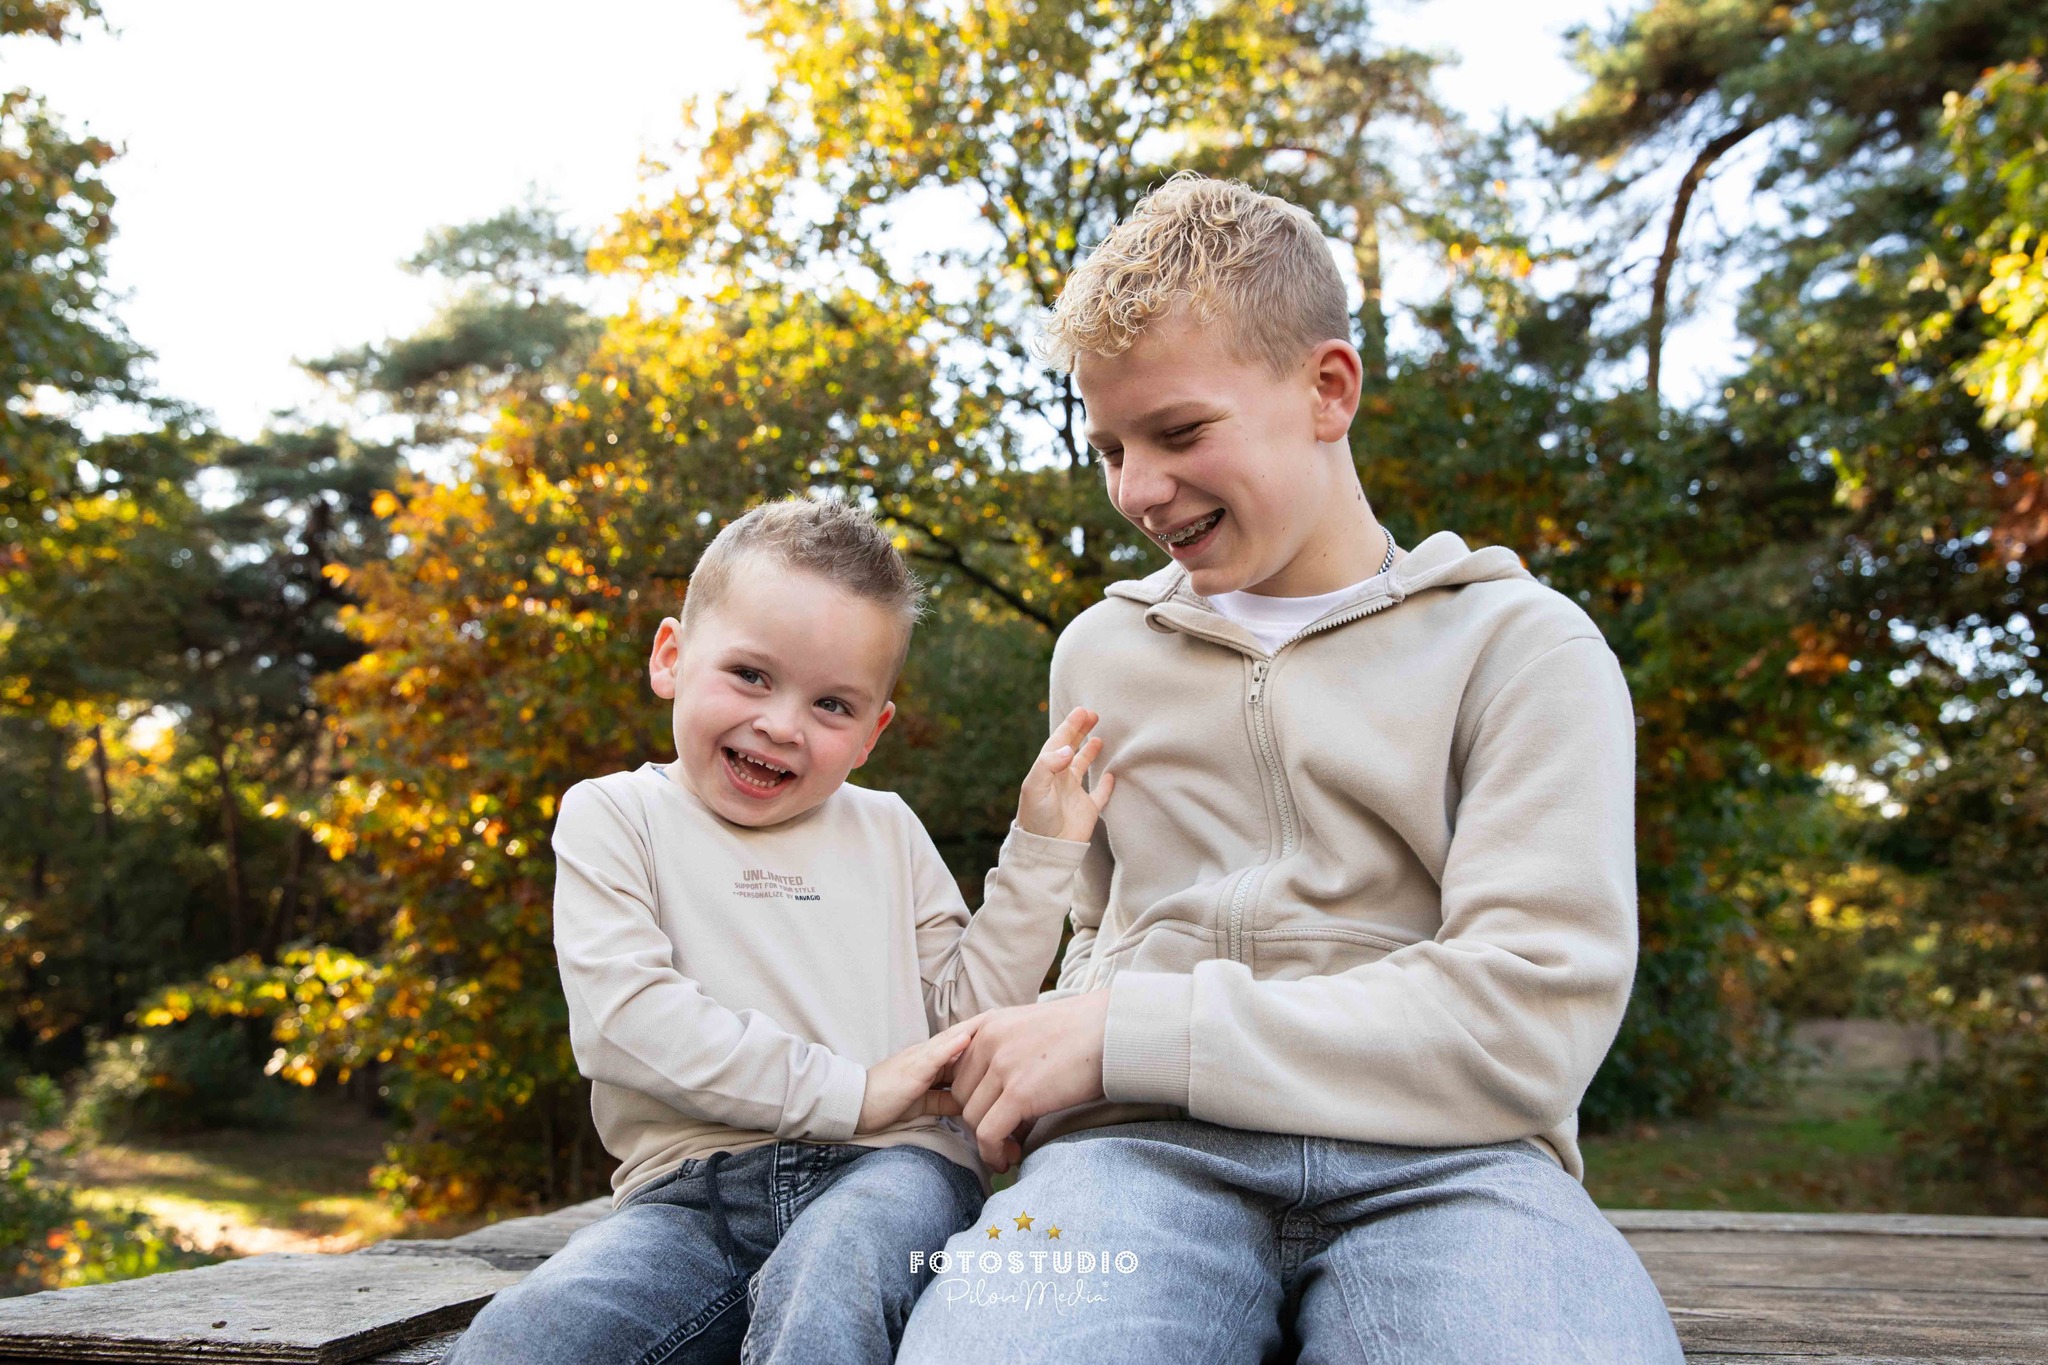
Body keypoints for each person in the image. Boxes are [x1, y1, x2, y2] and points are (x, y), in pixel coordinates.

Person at [895, 175, 1685, 1363]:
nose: (1136, 490)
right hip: (1133, 1158)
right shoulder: (1098, 653)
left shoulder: (1520, 648)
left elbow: (1526, 1021)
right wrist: (1055, 1051)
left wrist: (1124, 1034)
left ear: (1327, 389)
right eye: (1108, 446)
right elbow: (1099, 938)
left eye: (1178, 433)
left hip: (1454, 1170)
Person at [444, 497, 1114, 1365]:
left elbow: (963, 1020)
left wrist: (1041, 850)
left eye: (832, 703)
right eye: (752, 675)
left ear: (872, 732)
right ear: (671, 657)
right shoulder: (614, 815)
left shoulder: (885, 828)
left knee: (832, 1281)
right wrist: (853, 1090)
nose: (782, 723)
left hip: (895, 1171)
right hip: (689, 1196)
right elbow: (630, 1022)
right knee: (524, 1340)